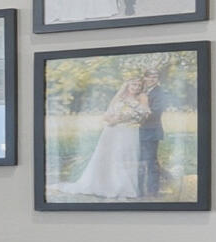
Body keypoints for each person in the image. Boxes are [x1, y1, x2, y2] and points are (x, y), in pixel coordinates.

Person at [64, 69, 162, 201]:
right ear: (127, 85)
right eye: (133, 85)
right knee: (109, 157)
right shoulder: (119, 97)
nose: (136, 87)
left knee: (125, 157)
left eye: (138, 85)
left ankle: (124, 188)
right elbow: (106, 114)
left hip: (129, 131)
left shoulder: (142, 97)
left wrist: (125, 117)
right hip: (113, 131)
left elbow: (144, 114)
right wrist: (112, 120)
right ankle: (105, 185)